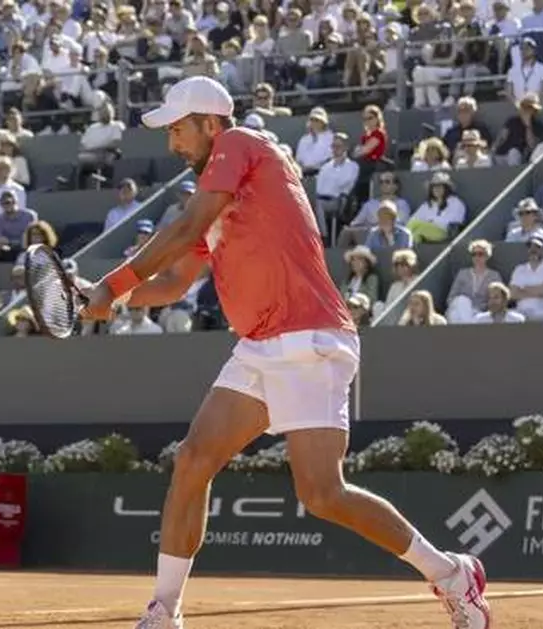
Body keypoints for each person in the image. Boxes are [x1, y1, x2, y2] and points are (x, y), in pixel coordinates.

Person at [79, 77, 490, 629]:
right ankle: (165, 609)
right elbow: (175, 284)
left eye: (178, 129)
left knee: (322, 494)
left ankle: (450, 573)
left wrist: (112, 282)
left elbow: (187, 227)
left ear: (210, 123)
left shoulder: (242, 143)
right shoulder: (213, 195)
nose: (172, 143)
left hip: (309, 337)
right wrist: (112, 298)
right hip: (258, 344)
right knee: (194, 460)